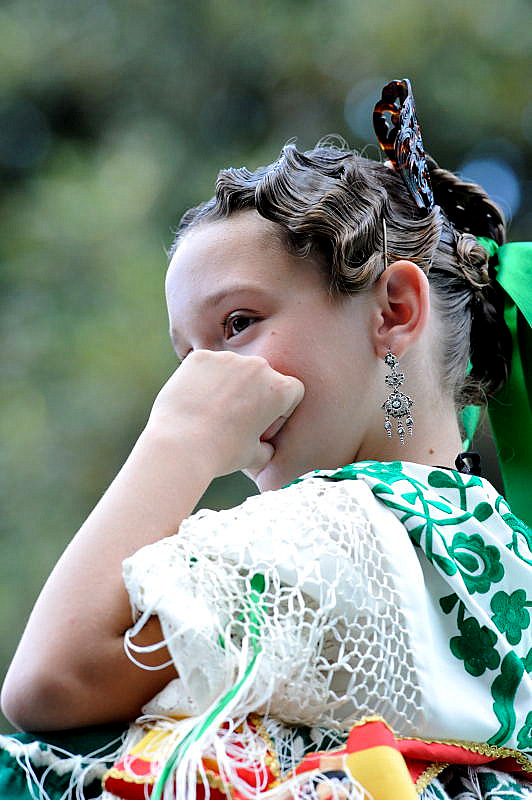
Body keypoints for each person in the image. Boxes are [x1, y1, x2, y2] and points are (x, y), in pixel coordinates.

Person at [1, 79, 531, 800]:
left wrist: (179, 437)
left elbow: (47, 683)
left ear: (393, 311)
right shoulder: (490, 538)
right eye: (188, 359)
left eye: (238, 323)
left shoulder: (341, 533)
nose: (202, 379)